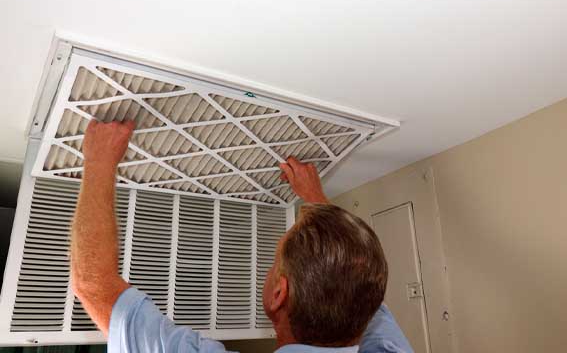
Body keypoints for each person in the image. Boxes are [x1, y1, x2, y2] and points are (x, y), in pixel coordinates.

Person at [70, 120, 413, 353]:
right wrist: (315, 203)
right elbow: (354, 274)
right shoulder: (374, 325)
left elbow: (94, 284)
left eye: (275, 259)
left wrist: (98, 159)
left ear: (280, 293)